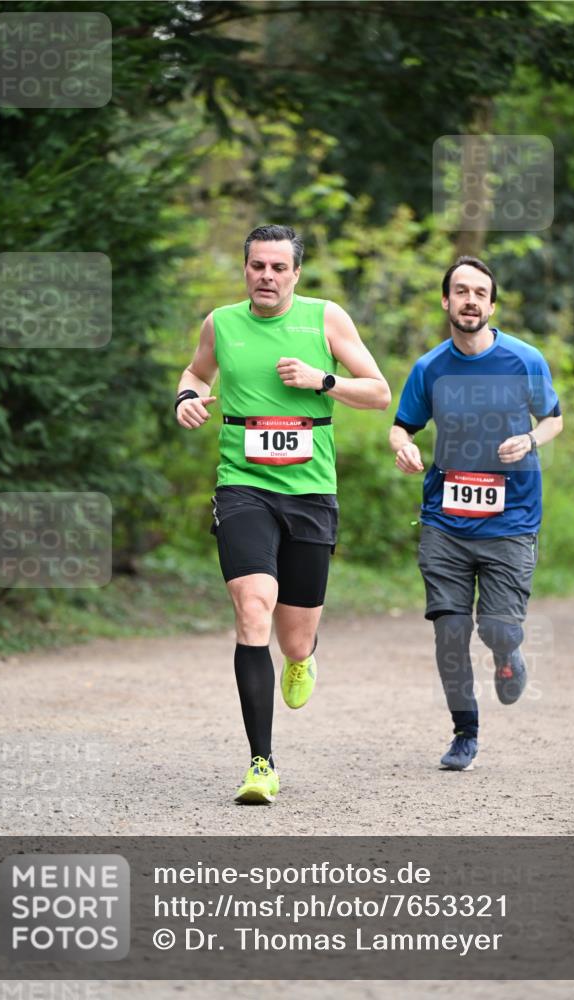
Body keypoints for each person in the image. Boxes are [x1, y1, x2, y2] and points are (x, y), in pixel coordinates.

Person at [176, 224, 390, 802]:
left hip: (310, 492)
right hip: (242, 486)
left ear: (295, 273)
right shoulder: (221, 324)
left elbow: (378, 393)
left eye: (277, 268)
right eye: (257, 266)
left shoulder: (326, 319)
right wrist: (186, 398)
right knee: (253, 607)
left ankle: (303, 658)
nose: (266, 276)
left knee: (294, 640)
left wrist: (323, 380)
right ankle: (261, 764)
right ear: (245, 269)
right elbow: (196, 372)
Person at [390, 256, 563, 771]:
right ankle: (464, 732)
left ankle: (508, 654)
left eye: (480, 293)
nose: (470, 301)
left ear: (491, 305)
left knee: (498, 629)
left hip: (511, 520)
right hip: (444, 520)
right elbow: (402, 426)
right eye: (461, 291)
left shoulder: (524, 359)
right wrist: (403, 447)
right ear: (446, 300)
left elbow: (553, 419)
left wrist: (529, 439)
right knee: (449, 630)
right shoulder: (429, 368)